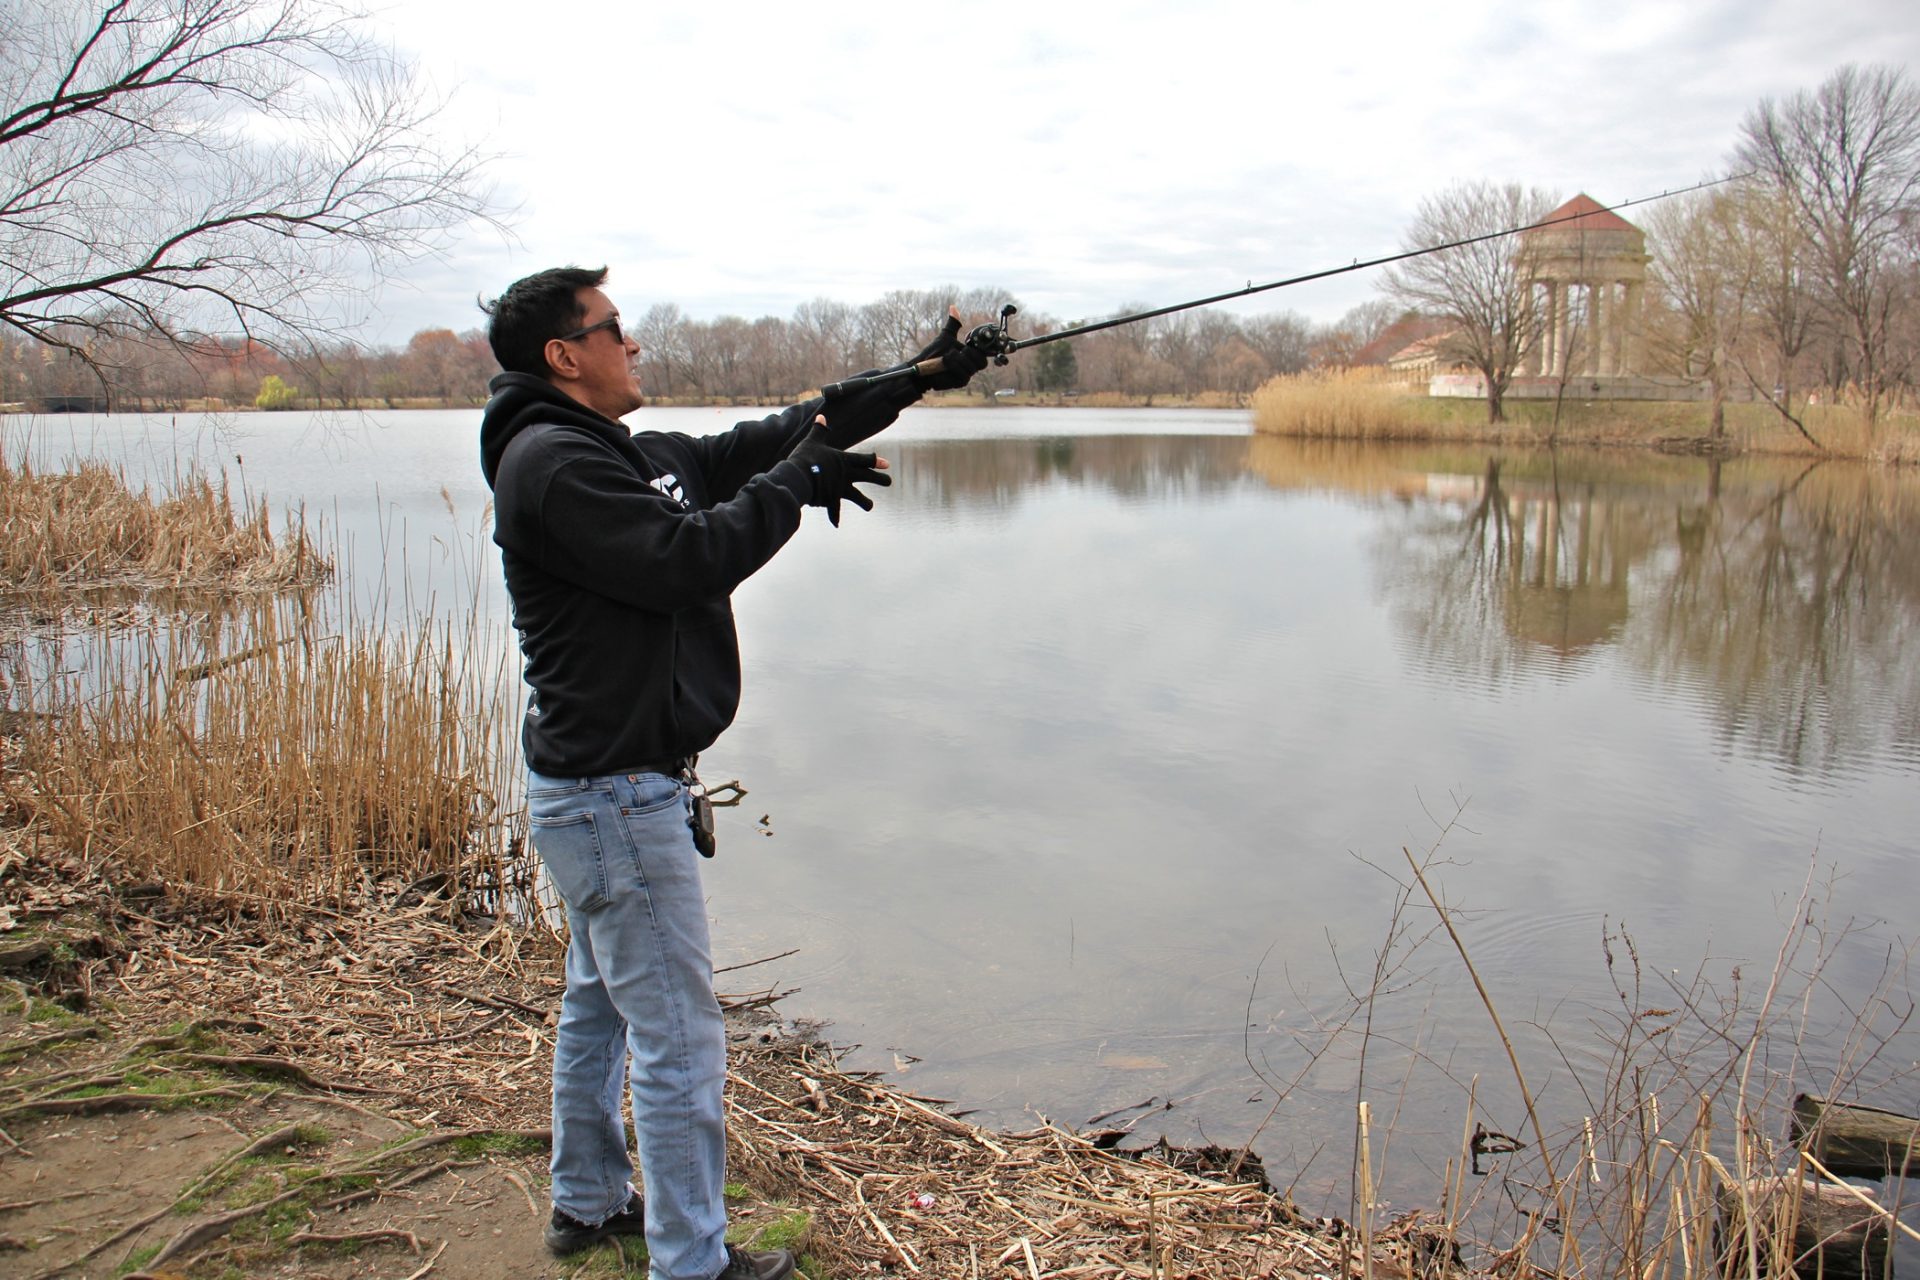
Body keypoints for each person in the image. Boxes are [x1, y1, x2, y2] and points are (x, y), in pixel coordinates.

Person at [477, 266, 986, 1280]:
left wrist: (919, 375)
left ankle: (585, 1203)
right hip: (614, 797)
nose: (635, 344)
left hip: (601, 791)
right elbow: (687, 558)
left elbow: (783, 428)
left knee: (602, 1001)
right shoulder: (556, 467)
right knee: (675, 1037)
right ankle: (692, 1261)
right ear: (564, 356)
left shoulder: (623, 453)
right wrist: (795, 482)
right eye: (615, 329)